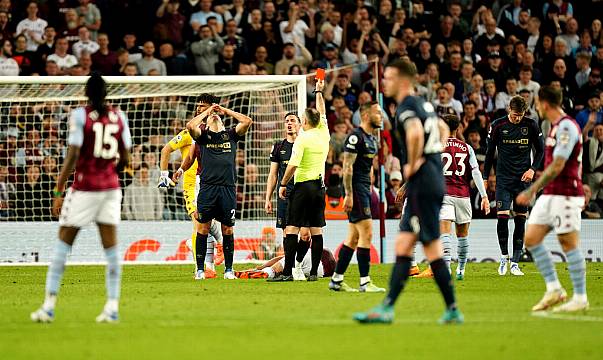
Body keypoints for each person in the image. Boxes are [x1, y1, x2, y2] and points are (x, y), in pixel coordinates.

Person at [354, 59, 462, 325]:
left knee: (432, 248)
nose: (384, 82)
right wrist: (433, 151)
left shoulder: (406, 106)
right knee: (404, 246)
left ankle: (451, 308)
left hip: (424, 183)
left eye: (389, 78)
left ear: (403, 80)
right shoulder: (424, 103)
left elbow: (414, 133)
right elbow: (442, 128)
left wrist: (413, 164)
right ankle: (389, 307)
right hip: (433, 180)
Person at [30, 73, 131, 323]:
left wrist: (58, 191)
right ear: (107, 93)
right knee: (112, 249)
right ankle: (112, 307)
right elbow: (127, 159)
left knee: (63, 245)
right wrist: (109, 171)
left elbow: (73, 155)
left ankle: (49, 306)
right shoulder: (120, 116)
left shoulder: (80, 116)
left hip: (84, 189)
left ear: (86, 93)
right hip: (110, 189)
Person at [516, 86, 588, 313]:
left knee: (568, 243)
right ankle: (554, 288)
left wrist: (531, 190)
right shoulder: (555, 127)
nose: (537, 106)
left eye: (538, 102)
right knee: (531, 238)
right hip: (551, 194)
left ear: (544, 103)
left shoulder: (566, 126)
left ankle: (580, 296)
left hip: (565, 193)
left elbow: (558, 164)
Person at [269, 78, 328, 282]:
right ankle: (312, 274)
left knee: (292, 228)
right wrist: (319, 92)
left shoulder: (302, 139)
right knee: (317, 230)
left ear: (304, 122)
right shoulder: (324, 133)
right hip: (320, 187)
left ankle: (287, 272)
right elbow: (322, 112)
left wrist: (283, 184)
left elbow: (292, 165)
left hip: (302, 187)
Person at [186, 100, 252, 280]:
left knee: (228, 230)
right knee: (203, 228)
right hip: (208, 189)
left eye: (217, 117)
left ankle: (229, 270)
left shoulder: (230, 135)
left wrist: (224, 110)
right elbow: (190, 125)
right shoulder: (203, 137)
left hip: (227, 189)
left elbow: (247, 121)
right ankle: (200, 270)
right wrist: (207, 111)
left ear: (223, 123)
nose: (214, 116)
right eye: (211, 117)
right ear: (206, 123)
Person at [162, 94, 223, 278]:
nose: (198, 109)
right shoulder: (190, 132)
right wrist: (165, 175)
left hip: (212, 183)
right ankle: (201, 267)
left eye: (202, 106)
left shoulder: (218, 131)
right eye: (197, 106)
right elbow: (166, 149)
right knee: (200, 224)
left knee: (211, 223)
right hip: (192, 185)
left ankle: (208, 265)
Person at [483, 95, 544, 276]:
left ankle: (515, 263)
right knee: (502, 217)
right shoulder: (498, 125)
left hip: (523, 181)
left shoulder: (531, 125)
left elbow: (541, 150)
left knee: (520, 219)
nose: (518, 118)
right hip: (503, 179)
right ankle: (504, 258)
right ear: (509, 109)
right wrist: (486, 177)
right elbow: (489, 153)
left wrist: (533, 169)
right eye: (515, 115)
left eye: (521, 115)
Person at [329, 101, 385, 293]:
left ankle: (336, 280)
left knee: (352, 238)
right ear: (366, 115)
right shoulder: (355, 137)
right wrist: (349, 195)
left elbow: (367, 167)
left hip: (364, 189)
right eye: (378, 112)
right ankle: (365, 282)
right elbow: (347, 167)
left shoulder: (372, 139)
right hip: (355, 189)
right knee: (367, 233)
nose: (382, 116)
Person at [438, 114, 490, 280]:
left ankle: (446, 269)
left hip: (444, 193)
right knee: (462, 235)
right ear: (458, 128)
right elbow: (476, 172)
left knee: (445, 232)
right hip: (463, 196)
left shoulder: (437, 146)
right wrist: (484, 196)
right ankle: (461, 270)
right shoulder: (467, 147)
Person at [265, 111, 313, 280]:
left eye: (293, 120)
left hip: (304, 194)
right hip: (285, 195)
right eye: (287, 121)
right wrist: (268, 198)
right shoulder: (278, 147)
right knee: (287, 234)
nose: (289, 123)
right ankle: (289, 270)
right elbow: (273, 174)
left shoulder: (306, 144)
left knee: (306, 235)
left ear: (300, 125)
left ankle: (298, 265)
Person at [235, 248, 336, 280]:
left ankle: (266, 273)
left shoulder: (304, 249)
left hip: (309, 257)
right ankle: (265, 273)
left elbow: (280, 258)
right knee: (292, 270)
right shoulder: (324, 249)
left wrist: (260, 267)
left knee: (276, 268)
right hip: (322, 272)